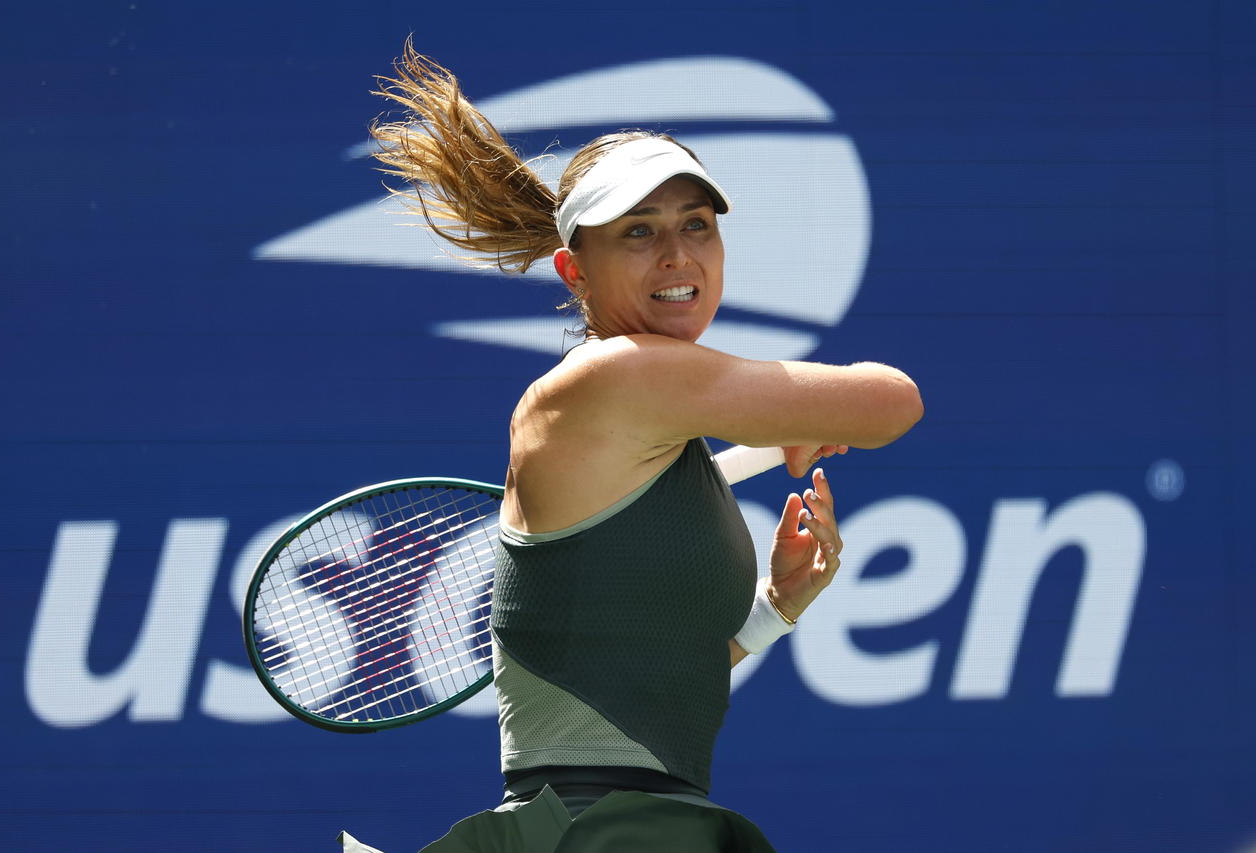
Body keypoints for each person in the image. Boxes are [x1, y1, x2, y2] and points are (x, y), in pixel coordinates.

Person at [362, 40, 923, 853]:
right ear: (574, 270)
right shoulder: (619, 376)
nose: (677, 255)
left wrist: (773, 608)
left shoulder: (646, 425)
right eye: (638, 231)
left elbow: (634, 697)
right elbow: (893, 401)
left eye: (697, 225)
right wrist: (800, 412)